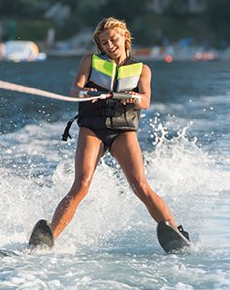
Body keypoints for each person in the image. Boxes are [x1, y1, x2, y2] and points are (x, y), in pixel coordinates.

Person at [32, 17, 188, 248]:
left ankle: (177, 232)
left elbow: (145, 100)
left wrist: (133, 97)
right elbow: (75, 90)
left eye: (113, 39)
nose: (109, 45)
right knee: (81, 185)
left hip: (122, 131)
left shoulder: (142, 70)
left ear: (124, 36)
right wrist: (87, 92)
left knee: (140, 186)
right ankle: (48, 237)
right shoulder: (90, 62)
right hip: (93, 129)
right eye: (104, 43)